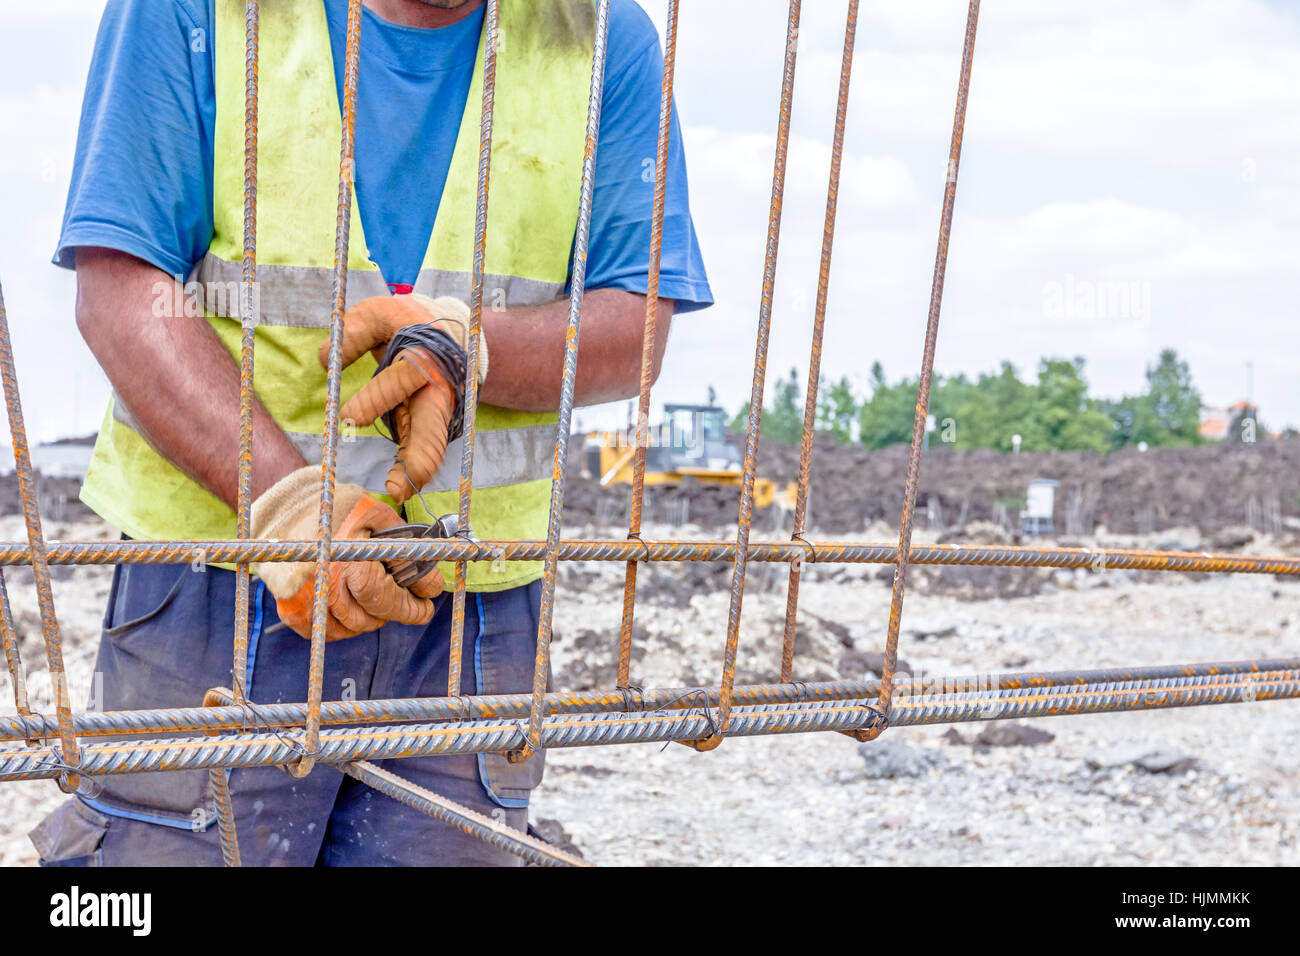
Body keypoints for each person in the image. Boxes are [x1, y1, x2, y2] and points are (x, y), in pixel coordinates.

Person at [30, 0, 711, 867]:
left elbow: (637, 323)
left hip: (470, 606)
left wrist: (466, 348)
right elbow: (125, 291)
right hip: (215, 587)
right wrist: (288, 506)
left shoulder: (600, 33)